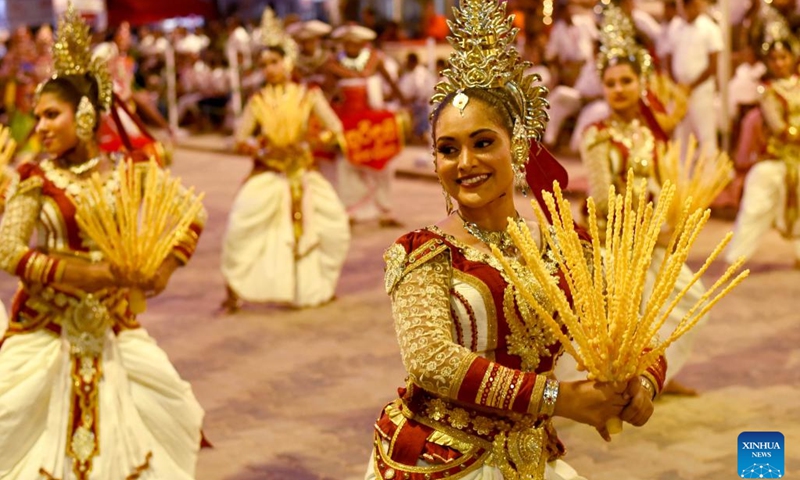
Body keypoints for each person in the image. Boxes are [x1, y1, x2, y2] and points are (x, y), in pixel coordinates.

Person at [364, 2, 666, 479]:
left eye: (483, 142)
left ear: (518, 146)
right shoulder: (420, 253)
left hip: (534, 461)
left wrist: (641, 387)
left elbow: (635, 329)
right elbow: (432, 362)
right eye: (448, 149)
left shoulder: (566, 245)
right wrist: (559, 399)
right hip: (445, 462)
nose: (465, 162)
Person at [0, 6, 206, 478]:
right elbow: (9, 251)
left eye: (52, 114)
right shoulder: (36, 177)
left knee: (170, 408)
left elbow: (190, 215)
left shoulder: (127, 172)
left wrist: (161, 271)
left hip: (114, 325)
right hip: (46, 327)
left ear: (87, 115)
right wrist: (91, 274)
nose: (42, 127)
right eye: (38, 117)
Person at [575, 4, 705, 396]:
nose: (619, 89)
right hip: (612, 240)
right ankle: (621, 385)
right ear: (603, 88)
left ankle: (658, 374)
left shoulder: (651, 136)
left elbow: (667, 186)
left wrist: (672, 222)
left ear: (641, 82)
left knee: (688, 299)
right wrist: (631, 236)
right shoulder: (595, 135)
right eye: (611, 83)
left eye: (626, 80)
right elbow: (600, 197)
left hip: (652, 237)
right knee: (623, 316)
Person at [220, 10, 350, 312]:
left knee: (333, 228)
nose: (269, 69)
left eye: (274, 62)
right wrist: (257, 148)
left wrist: (311, 142)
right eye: (264, 64)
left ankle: (316, 288)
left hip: (303, 171)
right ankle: (233, 290)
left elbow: (335, 129)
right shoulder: (257, 101)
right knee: (241, 229)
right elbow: (239, 139)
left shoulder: (308, 95)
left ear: (288, 63)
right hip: (271, 171)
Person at [726, 15, 800, 268]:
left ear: (793, 58)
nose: (780, 63)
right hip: (777, 159)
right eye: (774, 59)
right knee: (755, 205)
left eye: (784, 57)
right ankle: (736, 258)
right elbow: (779, 128)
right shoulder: (767, 92)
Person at [327, 24, 406, 227]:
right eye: (347, 42)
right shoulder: (333, 64)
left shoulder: (374, 59)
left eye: (355, 42)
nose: (351, 45)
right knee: (347, 165)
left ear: (363, 43)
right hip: (347, 123)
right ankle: (352, 211)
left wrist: (402, 102)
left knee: (383, 164)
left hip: (373, 122)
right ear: (342, 43)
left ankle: (385, 210)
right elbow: (328, 92)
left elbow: (391, 83)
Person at [664, 0, 723, 156]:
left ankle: (710, 175)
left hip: (701, 91)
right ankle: (682, 176)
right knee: (681, 135)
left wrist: (691, 86)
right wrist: (676, 85)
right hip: (680, 91)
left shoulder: (710, 28)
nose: (686, 9)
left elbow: (712, 66)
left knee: (706, 135)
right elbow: (669, 57)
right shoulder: (675, 26)